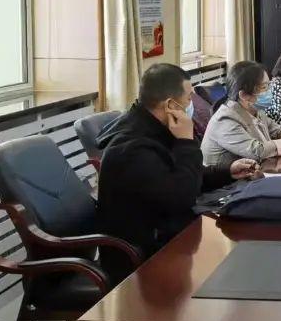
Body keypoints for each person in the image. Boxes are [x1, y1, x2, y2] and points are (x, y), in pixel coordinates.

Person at [96, 63, 258, 277]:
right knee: (235, 264)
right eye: (189, 98)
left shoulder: (155, 127)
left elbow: (183, 175)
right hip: (144, 259)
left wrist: (227, 171)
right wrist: (186, 142)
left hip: (169, 234)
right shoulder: (132, 149)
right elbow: (182, 195)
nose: (192, 104)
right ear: (171, 105)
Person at [201, 61, 281, 168]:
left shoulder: (255, 109)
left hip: (256, 172)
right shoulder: (225, 120)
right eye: (264, 87)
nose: (270, 91)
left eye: (269, 85)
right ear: (244, 95)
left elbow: (276, 129)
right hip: (227, 180)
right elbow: (257, 151)